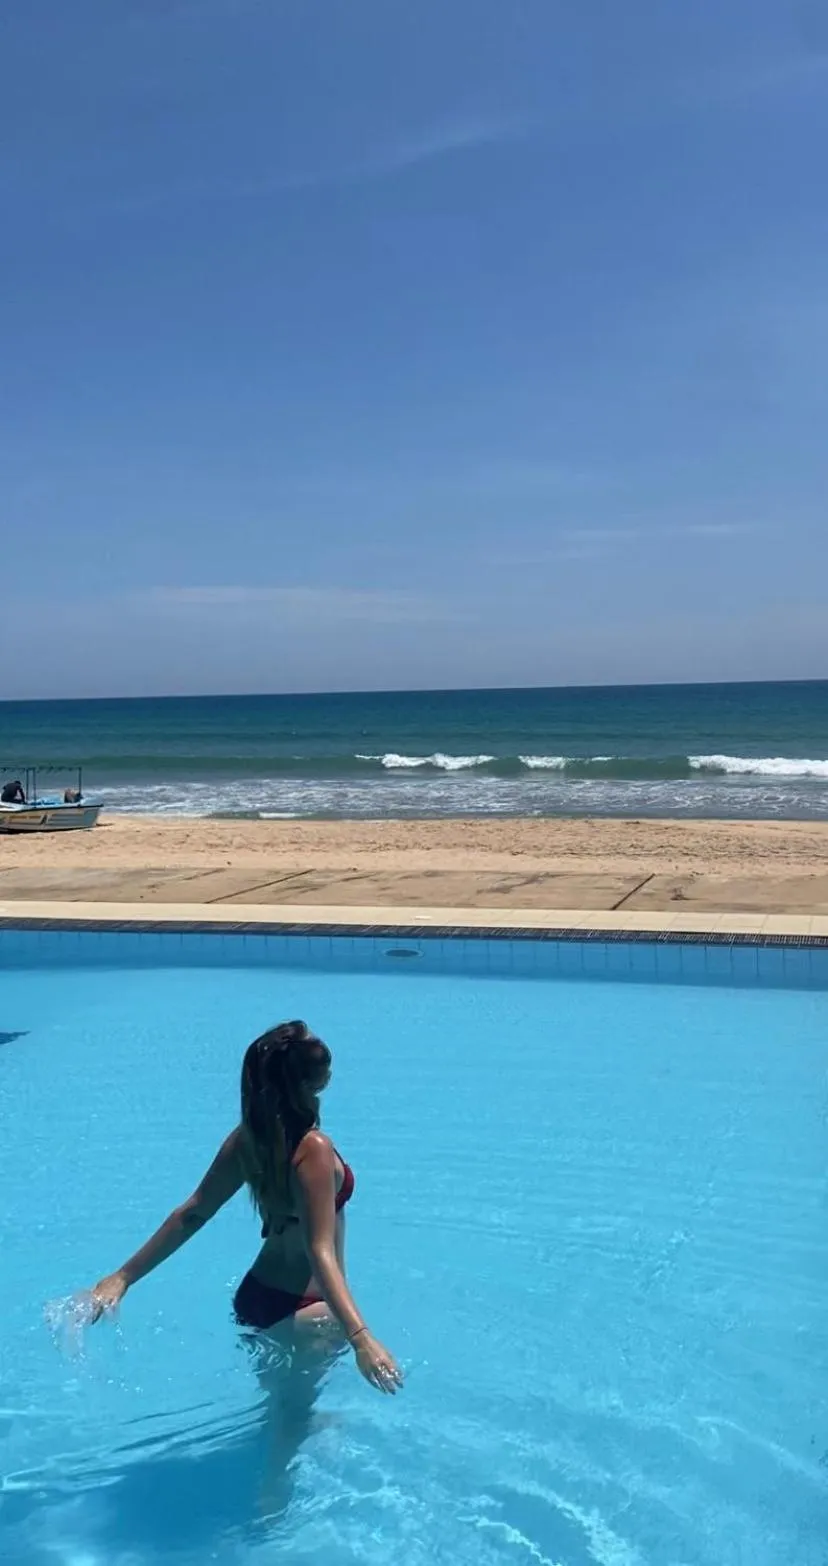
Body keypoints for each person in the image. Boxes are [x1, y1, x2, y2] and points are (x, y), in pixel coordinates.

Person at [88, 1021, 402, 1394]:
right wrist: (361, 1338)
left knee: (283, 1410)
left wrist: (122, 1277)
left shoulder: (249, 1140)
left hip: (255, 1297)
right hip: (307, 1310)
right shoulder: (314, 1149)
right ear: (314, 1083)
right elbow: (319, 1249)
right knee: (292, 1422)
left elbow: (192, 1213)